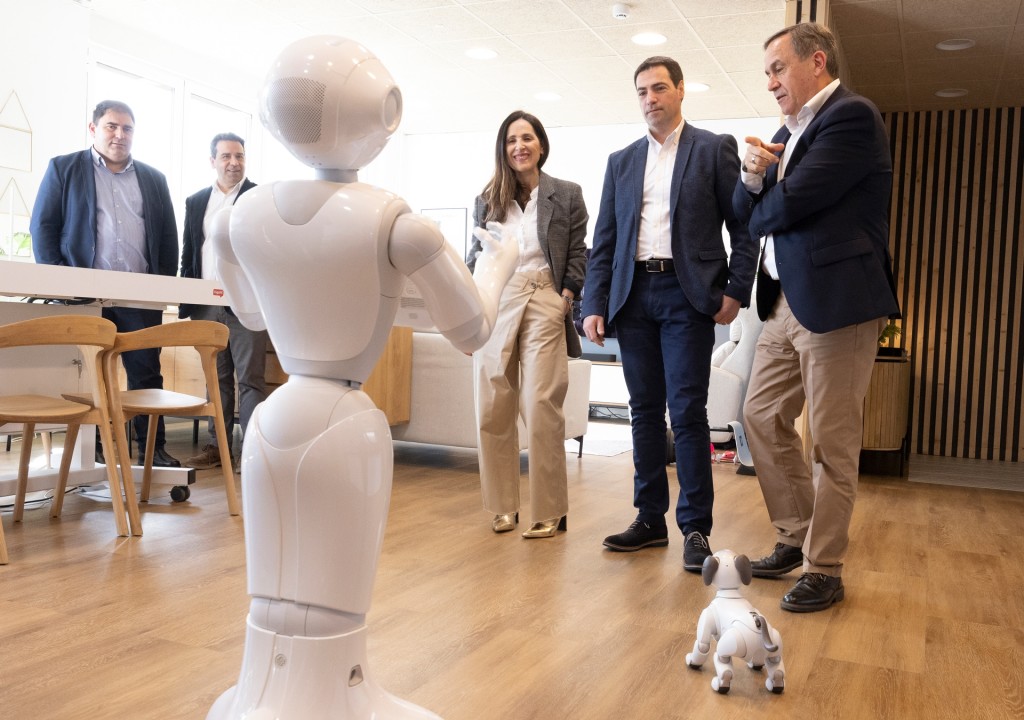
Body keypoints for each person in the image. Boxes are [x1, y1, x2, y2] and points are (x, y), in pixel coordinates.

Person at [205, 36, 517, 719]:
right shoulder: (394, 221)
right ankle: (331, 697)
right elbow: (472, 330)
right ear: (382, 112)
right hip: (345, 425)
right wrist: (500, 266)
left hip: (273, 419)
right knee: (328, 592)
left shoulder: (238, 216)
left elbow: (248, 312)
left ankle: (266, 694)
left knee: (274, 585)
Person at [733, 22, 900, 612]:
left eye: (778, 68)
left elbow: (789, 204)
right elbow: (748, 206)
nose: (771, 82)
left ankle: (824, 567)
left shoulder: (851, 117)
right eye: (768, 73)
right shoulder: (786, 133)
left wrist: (763, 196)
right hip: (783, 302)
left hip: (838, 302)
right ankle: (795, 536)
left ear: (817, 62)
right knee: (760, 416)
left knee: (831, 442)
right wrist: (752, 176)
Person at [582, 57, 756, 571]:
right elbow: (605, 240)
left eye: (659, 88)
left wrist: (736, 289)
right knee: (642, 411)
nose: (650, 98)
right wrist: (593, 302)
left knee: (687, 412)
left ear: (680, 91)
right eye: (642, 91)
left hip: (687, 295)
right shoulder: (621, 161)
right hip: (633, 295)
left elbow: (743, 227)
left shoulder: (713, 149)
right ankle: (649, 518)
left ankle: (695, 529)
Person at [30, 99, 181, 468]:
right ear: (93, 129)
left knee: (146, 373)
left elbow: (168, 238)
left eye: (127, 128)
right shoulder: (64, 168)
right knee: (90, 373)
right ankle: (94, 450)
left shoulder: (154, 179)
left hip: (139, 296)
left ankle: (153, 450)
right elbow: (43, 227)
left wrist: (161, 288)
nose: (119, 134)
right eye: (111, 126)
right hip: (84, 297)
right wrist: (62, 282)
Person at [467, 110, 588, 539]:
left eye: (527, 138)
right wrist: (468, 317)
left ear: (541, 144)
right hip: (497, 300)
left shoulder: (566, 194)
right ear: (503, 149)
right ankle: (502, 506)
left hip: (544, 296)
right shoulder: (487, 198)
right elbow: (474, 258)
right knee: (492, 404)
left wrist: (565, 298)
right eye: (511, 140)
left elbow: (578, 252)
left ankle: (549, 509)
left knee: (540, 404)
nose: (519, 146)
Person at [179, 132, 266, 470]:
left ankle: (253, 452)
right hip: (205, 304)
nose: (234, 163)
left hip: (246, 304)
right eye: (226, 156)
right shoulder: (196, 201)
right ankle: (218, 448)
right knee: (216, 380)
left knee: (250, 381)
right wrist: (185, 297)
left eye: (239, 156)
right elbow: (190, 251)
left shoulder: (259, 198)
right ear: (212, 160)